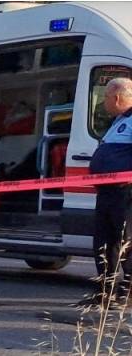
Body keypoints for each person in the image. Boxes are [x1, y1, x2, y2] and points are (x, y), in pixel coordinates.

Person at [85, 76, 132, 305]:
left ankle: (128, 291)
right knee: (104, 242)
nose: (103, 103)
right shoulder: (118, 120)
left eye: (104, 97)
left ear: (116, 97)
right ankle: (106, 290)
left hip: (126, 192)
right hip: (107, 192)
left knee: (126, 240)